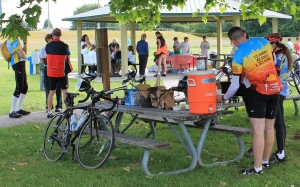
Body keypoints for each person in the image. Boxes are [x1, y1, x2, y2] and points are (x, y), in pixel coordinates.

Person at [217, 26, 281, 175]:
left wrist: (224, 97)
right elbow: (273, 60)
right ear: (245, 34)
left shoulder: (238, 55)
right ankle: (265, 162)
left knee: (258, 131)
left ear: (232, 41)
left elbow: (234, 84)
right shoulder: (263, 41)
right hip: (274, 88)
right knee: (269, 128)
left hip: (257, 92)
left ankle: (257, 168)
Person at [265, 33, 293, 164]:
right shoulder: (279, 54)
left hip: (279, 92)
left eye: (268, 44)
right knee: (279, 122)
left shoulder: (280, 56)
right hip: (279, 91)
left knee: (278, 123)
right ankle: (280, 152)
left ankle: (281, 154)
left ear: (274, 44)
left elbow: (273, 74)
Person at [45, 28, 70, 118]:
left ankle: (49, 111)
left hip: (51, 72)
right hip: (61, 72)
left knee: (51, 91)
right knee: (65, 91)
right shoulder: (65, 46)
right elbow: (67, 57)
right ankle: (67, 110)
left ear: (52, 35)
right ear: (60, 35)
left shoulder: (47, 46)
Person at [7, 37, 30, 118]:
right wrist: (25, 57)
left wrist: (25, 43)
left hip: (20, 63)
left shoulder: (16, 40)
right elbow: (22, 54)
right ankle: (12, 111)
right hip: (17, 64)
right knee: (19, 87)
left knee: (24, 87)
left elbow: (24, 52)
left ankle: (18, 108)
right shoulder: (12, 39)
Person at [39, 34, 63, 112]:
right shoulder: (43, 49)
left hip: (57, 69)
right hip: (48, 69)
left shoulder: (57, 48)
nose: (53, 40)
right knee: (48, 88)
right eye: (51, 39)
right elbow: (42, 60)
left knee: (58, 87)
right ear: (48, 39)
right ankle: (49, 106)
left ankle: (59, 106)